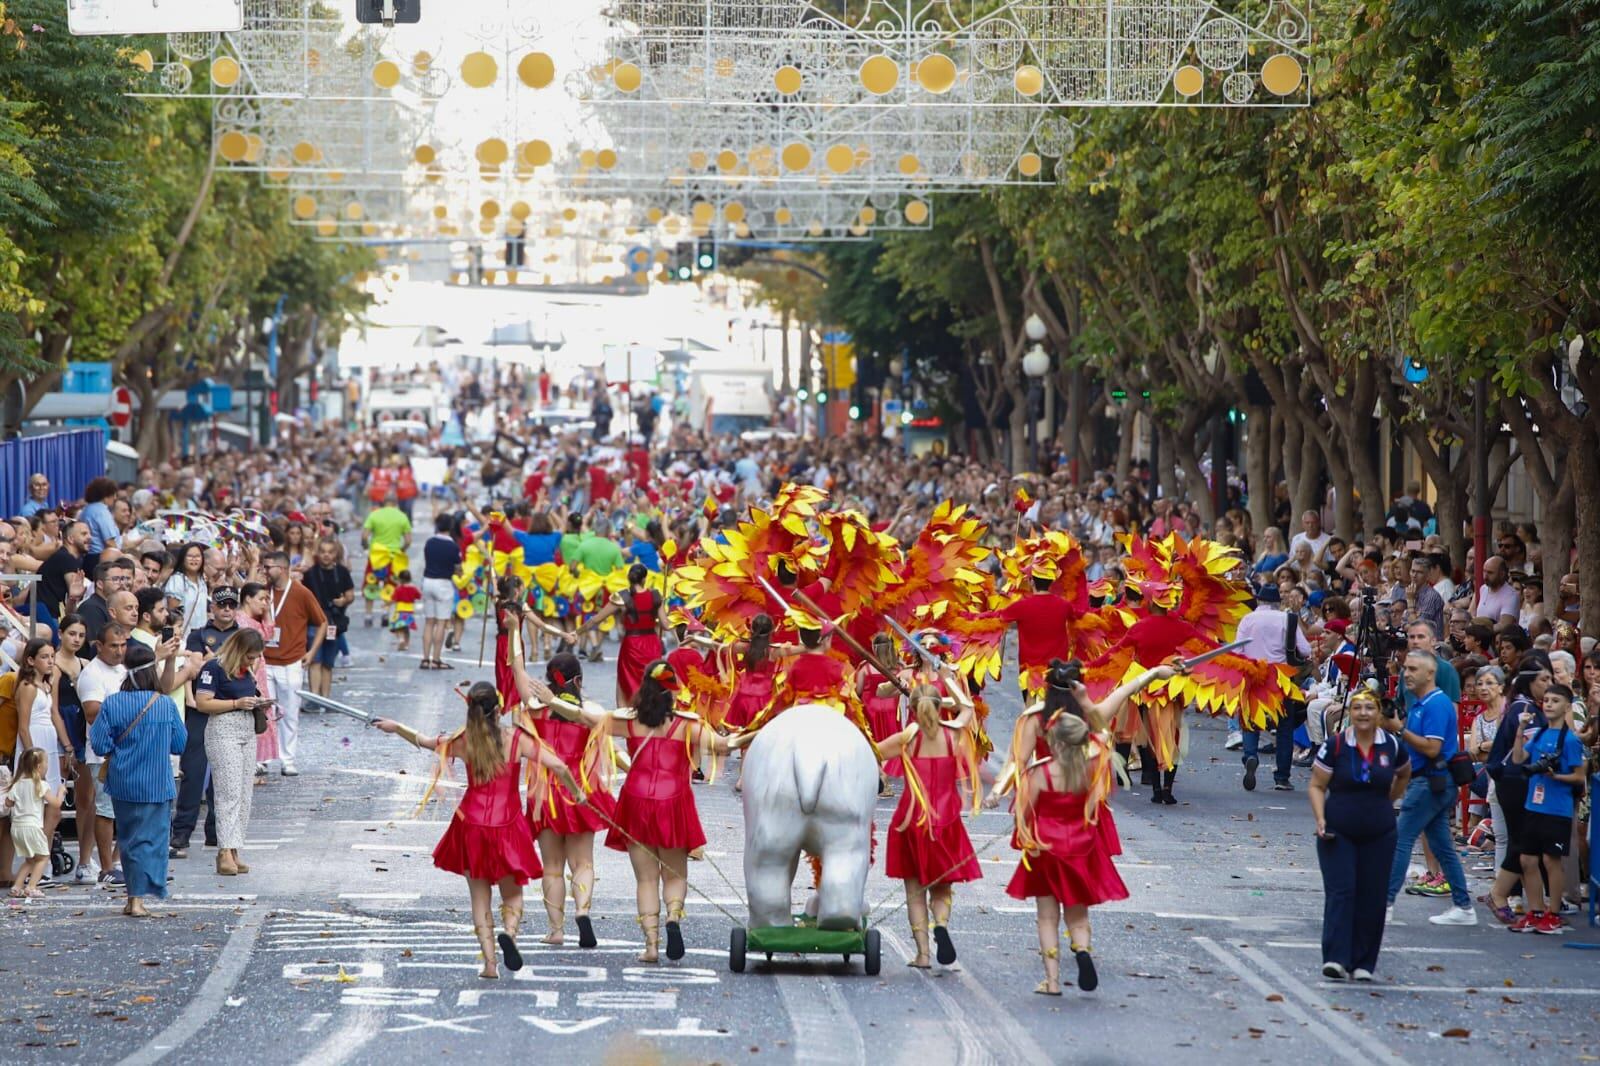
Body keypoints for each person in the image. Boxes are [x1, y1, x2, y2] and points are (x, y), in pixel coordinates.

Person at [545, 661, 750, 963]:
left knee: (645, 880)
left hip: (636, 801)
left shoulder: (629, 722)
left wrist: (552, 701)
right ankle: (673, 918)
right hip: (673, 801)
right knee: (675, 874)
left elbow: (586, 718)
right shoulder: (688, 725)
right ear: (672, 690)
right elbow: (725, 745)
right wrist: (761, 731)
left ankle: (651, 946)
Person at [374, 682, 581, 979]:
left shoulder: (461, 740)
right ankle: (509, 933)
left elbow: (423, 740)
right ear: (498, 711)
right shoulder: (516, 739)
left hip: (471, 823)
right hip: (508, 823)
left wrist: (396, 727)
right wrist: (577, 793)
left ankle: (490, 964)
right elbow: (559, 766)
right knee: (512, 894)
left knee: (479, 897)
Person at [1005, 713, 1127, 995]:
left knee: (1047, 917)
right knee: (1078, 915)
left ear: (1054, 743)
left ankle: (1053, 981)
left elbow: (1025, 811)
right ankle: (1082, 950)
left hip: (1046, 848)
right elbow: (1097, 805)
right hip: (1079, 849)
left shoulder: (1040, 773)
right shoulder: (1091, 770)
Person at [509, 651, 619, 948]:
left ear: (547, 680)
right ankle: (582, 911)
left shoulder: (533, 709)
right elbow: (605, 736)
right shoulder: (590, 710)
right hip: (580, 791)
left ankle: (556, 930)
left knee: (552, 867)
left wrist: (514, 628)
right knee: (583, 862)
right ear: (579, 680)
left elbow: (516, 669)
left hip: (544, 793)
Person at [874, 676, 979, 969]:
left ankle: (922, 954)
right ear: (937, 706)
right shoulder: (953, 735)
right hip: (946, 820)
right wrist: (947, 676)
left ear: (914, 707)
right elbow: (967, 706)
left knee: (915, 890)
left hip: (912, 818)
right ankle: (941, 924)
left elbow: (872, 751)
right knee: (942, 886)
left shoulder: (907, 738)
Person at [1307, 689, 1411, 980]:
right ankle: (1337, 958)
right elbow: (1317, 785)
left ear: (1379, 714)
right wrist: (1320, 818)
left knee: (1373, 896)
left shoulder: (1391, 745)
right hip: (1338, 830)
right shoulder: (1336, 746)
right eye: (1357, 708)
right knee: (1342, 892)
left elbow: (1404, 774)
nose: (1363, 713)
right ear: (1349, 713)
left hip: (1379, 831)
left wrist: (1388, 801)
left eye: (1369, 708)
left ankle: (1364, 962)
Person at [89, 642, 187, 918]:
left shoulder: (112, 703)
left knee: (129, 839)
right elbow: (179, 743)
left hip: (122, 782)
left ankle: (133, 897)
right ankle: (139, 900)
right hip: (157, 783)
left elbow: (98, 744)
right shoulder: (164, 704)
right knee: (153, 841)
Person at [1383, 651, 1477, 925]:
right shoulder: (1422, 703)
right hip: (1430, 780)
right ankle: (1463, 906)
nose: (1406, 673)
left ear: (1430, 673)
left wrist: (1399, 730)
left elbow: (1432, 747)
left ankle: (1385, 902)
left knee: (1401, 839)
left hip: (1431, 781)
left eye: (1413, 669)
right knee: (1443, 846)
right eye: (1405, 669)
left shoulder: (1436, 704)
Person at [1507, 682, 1587, 934]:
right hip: (1534, 805)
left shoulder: (1571, 740)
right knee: (1527, 860)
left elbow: (1578, 776)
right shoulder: (1539, 733)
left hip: (1557, 808)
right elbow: (1519, 759)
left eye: (1555, 701)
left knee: (1551, 861)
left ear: (1566, 706)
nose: (1549, 704)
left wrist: (1556, 776)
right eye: (1547, 700)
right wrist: (1520, 730)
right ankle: (1536, 910)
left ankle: (1553, 913)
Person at [193, 630, 273, 877]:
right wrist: (236, 704)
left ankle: (235, 846)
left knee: (243, 792)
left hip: (247, 730)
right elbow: (203, 702)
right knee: (228, 792)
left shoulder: (246, 671)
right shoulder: (213, 668)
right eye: (249, 657)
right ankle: (224, 850)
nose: (252, 662)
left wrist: (257, 703)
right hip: (223, 729)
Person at [1236, 585, 1311, 792]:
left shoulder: (1248, 619)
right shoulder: (1287, 619)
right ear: (1278, 602)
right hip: (1280, 677)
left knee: (1251, 721)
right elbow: (1305, 650)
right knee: (1284, 728)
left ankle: (1250, 756)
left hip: (1254, 675)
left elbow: (1237, 650)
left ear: (1259, 601)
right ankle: (1282, 777)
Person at [261, 550, 327, 776]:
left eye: (268, 566)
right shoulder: (263, 592)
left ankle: (287, 759)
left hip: (291, 661)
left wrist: (311, 652)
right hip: (265, 660)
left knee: (289, 712)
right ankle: (265, 757)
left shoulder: (301, 592)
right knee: (265, 712)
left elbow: (322, 623)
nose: (265, 570)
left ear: (282, 568)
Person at [576, 563, 665, 704]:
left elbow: (596, 620)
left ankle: (623, 716)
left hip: (632, 644)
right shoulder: (655, 596)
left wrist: (576, 632)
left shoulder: (622, 597)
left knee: (625, 681)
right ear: (644, 579)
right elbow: (666, 625)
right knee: (652, 681)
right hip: (652, 643)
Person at [11, 639, 68, 856]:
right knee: (37, 805)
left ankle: (42, 859)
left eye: (52, 656)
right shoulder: (27, 687)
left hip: (49, 744)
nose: (50, 661)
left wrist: (66, 746)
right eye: (44, 657)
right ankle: (36, 860)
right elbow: (23, 727)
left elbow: (53, 715)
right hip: (35, 742)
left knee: (52, 806)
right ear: (31, 660)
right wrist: (32, 757)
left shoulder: (46, 685)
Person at [236, 583, 281, 774]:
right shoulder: (241, 620)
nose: (264, 604)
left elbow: (269, 633)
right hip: (250, 669)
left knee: (261, 712)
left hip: (259, 668)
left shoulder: (255, 620)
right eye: (261, 599)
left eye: (267, 600)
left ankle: (256, 758)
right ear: (247, 598)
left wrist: (267, 611)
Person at [5, 748, 62, 899]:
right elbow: (56, 804)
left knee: (30, 860)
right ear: (38, 767)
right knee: (43, 857)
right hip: (33, 827)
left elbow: (8, 803)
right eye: (46, 763)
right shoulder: (41, 785)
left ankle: (17, 887)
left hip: (17, 827)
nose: (47, 766)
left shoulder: (17, 784)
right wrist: (61, 792)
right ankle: (31, 886)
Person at [301, 538, 355, 695]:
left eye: (330, 552)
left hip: (334, 623)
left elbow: (350, 594)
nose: (326, 555)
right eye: (323, 552)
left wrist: (343, 601)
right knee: (315, 661)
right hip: (314, 623)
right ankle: (315, 698)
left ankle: (326, 697)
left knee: (328, 663)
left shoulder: (342, 572)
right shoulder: (311, 574)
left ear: (336, 553)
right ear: (318, 553)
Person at [361, 489, 412, 627]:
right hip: (393, 558)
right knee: (390, 586)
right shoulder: (402, 517)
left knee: (370, 585)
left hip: (376, 556)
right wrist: (401, 550)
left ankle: (368, 615)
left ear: (383, 501)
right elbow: (408, 540)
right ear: (396, 502)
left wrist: (367, 548)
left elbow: (365, 536)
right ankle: (385, 613)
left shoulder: (374, 515)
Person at [420, 514, 462, 670]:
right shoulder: (453, 546)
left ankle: (425, 658)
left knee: (429, 622)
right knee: (441, 622)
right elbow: (458, 570)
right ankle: (436, 659)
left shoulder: (429, 542)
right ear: (450, 527)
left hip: (427, 581)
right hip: (443, 584)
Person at [38, 519, 90, 622]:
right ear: (70, 539)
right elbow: (71, 610)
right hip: (46, 617)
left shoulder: (62, 556)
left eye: (89, 533)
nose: (90, 537)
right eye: (84, 534)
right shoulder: (67, 559)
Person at [164, 542, 209, 638]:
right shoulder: (177, 580)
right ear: (182, 558)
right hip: (182, 636)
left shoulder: (202, 581)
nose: (194, 559)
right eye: (190, 556)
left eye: (197, 556)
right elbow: (173, 613)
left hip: (201, 635)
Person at [389, 570, 421, 653]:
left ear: (400, 579)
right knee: (406, 629)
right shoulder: (413, 588)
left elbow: (393, 599)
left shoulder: (398, 589)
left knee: (398, 627)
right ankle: (406, 644)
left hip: (400, 611)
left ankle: (400, 639)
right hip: (409, 611)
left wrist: (386, 604)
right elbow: (419, 596)